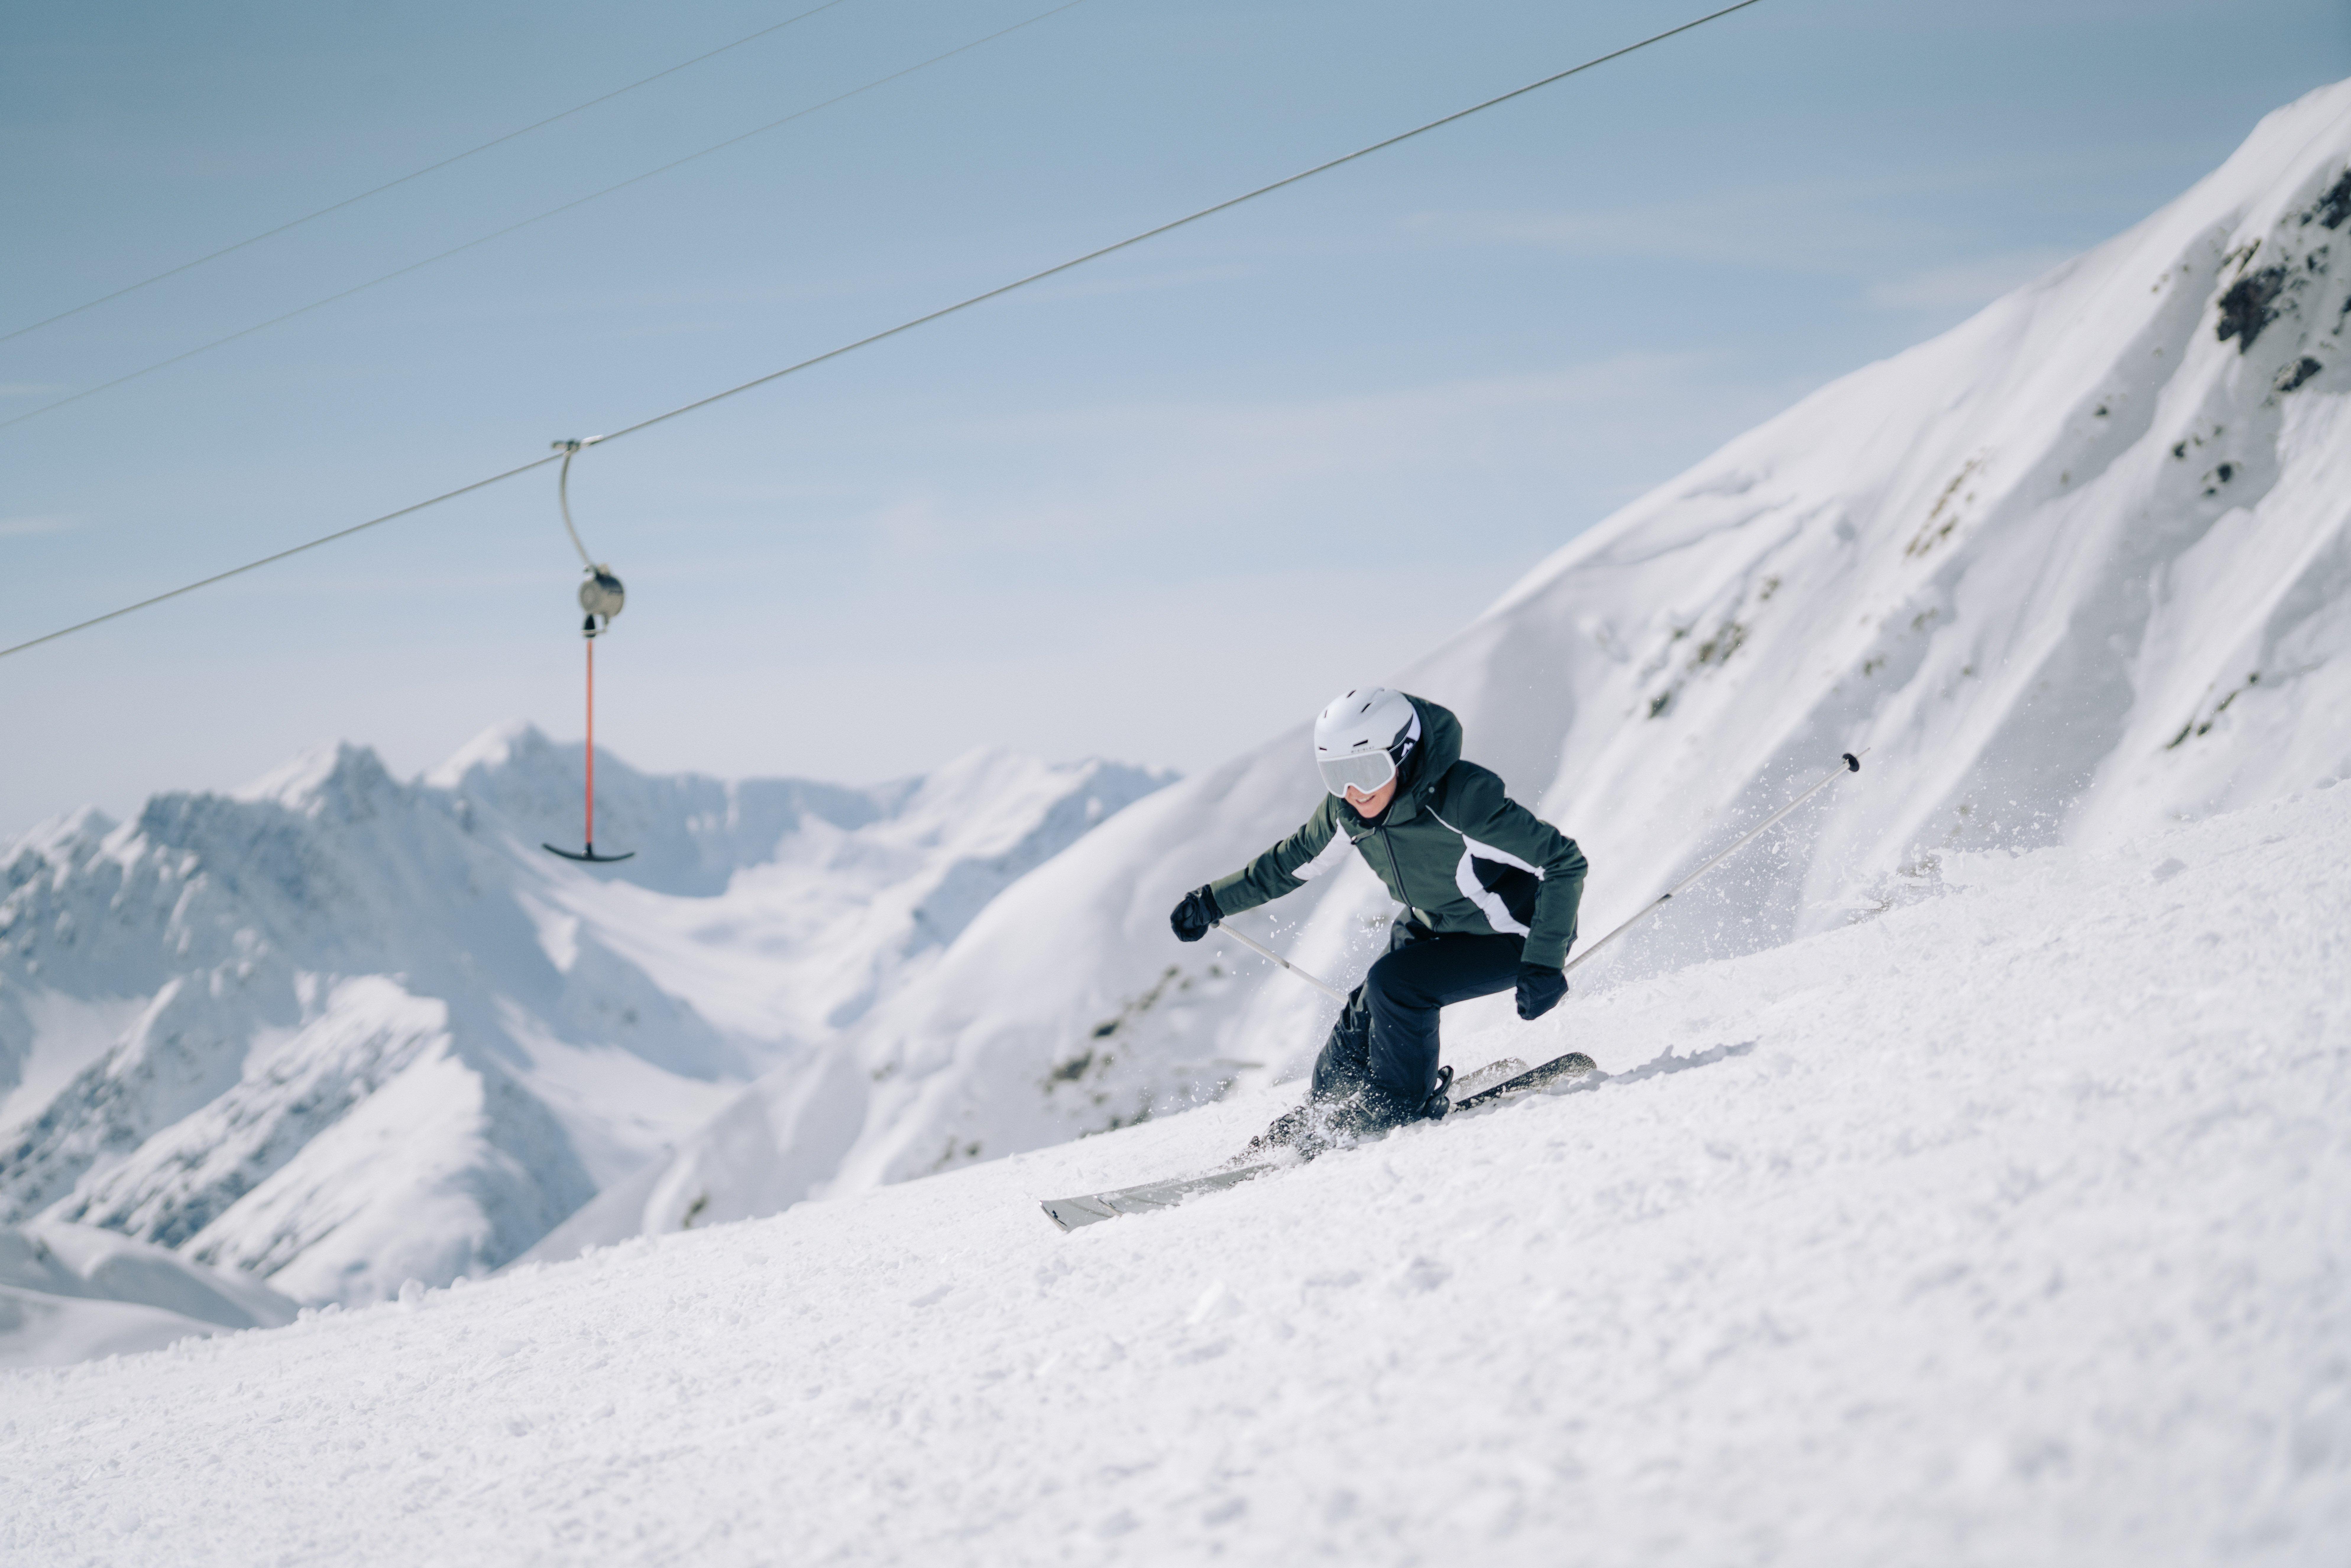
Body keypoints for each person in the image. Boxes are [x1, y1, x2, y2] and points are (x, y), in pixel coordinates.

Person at [1170, 687, 1587, 1151]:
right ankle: (1321, 1116)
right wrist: (1213, 901)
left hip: (1516, 935)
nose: (1353, 792)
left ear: (1404, 756)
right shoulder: (1348, 812)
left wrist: (1545, 961)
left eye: (1367, 771)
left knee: (1397, 985)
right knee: (1362, 1016)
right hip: (1436, 925)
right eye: (1337, 776)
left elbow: (1563, 862)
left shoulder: (1462, 802)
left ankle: (1395, 1106)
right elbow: (1290, 863)